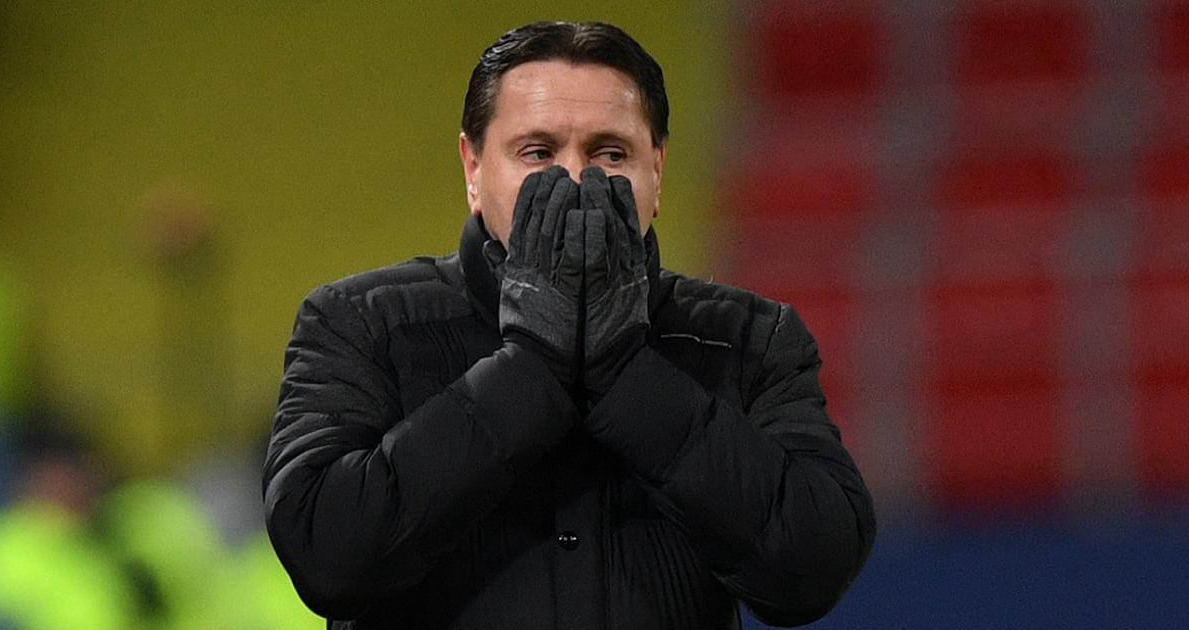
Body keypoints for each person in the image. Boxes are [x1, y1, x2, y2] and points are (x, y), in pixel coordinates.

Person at [263, 21, 875, 630]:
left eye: (611, 154)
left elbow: (813, 569)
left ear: (657, 172)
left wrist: (627, 375)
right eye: (537, 153)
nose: (577, 180)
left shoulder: (749, 338)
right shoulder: (359, 323)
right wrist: (529, 367)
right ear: (473, 168)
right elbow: (326, 557)